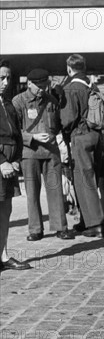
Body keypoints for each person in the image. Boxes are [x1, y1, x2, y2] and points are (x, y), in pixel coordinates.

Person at [13, 68, 73, 241]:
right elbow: (15, 130)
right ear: (29, 83)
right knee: (32, 192)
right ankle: (35, 229)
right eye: (38, 85)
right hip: (29, 153)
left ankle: (60, 227)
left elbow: (57, 124)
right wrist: (32, 137)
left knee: (55, 190)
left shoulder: (51, 100)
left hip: (51, 152)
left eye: (44, 85)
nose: (41, 89)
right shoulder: (18, 101)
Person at [60, 54, 104, 238]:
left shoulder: (71, 88)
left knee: (83, 179)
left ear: (69, 69)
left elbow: (68, 119)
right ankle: (87, 220)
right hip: (96, 135)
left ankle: (95, 224)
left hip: (80, 136)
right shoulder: (92, 86)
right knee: (91, 178)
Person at [0, 60, 32, 271]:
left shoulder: (8, 103)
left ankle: (2, 256)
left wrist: (17, 160)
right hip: (2, 161)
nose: (5, 82)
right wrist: (1, 162)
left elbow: (18, 135)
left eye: (8, 78)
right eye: (1, 78)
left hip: (11, 162)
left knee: (5, 208)